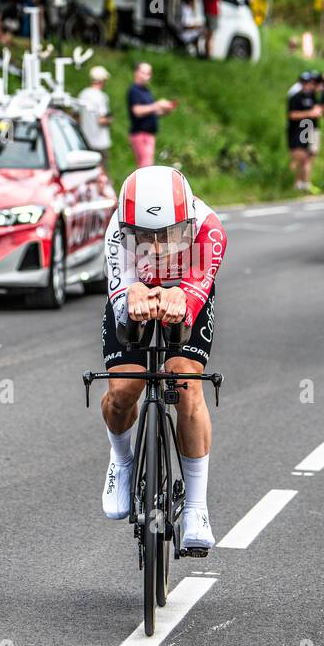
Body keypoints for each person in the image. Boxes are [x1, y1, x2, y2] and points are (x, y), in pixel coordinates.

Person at [101, 166, 227, 551]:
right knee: (125, 388)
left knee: (185, 383)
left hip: (186, 290)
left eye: (168, 235)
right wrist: (130, 297)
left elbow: (197, 290)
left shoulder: (211, 230)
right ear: (127, 228)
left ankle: (195, 506)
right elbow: (119, 292)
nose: (156, 249)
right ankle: (122, 462)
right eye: (144, 237)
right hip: (135, 290)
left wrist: (182, 298)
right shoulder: (115, 233)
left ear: (186, 221)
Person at [127, 61, 174, 168]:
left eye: (148, 73)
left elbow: (151, 112)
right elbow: (137, 111)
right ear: (137, 73)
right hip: (141, 133)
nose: (147, 76)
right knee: (146, 167)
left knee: (145, 166)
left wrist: (165, 110)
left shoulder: (146, 91)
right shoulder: (134, 90)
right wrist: (157, 105)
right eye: (144, 72)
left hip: (149, 134)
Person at [286, 71, 323, 192]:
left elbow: (317, 107)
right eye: (305, 83)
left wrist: (317, 111)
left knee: (308, 158)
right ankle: (298, 183)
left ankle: (304, 183)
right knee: (299, 158)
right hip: (297, 131)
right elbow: (292, 115)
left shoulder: (312, 96)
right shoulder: (295, 97)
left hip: (309, 130)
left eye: (309, 83)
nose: (308, 85)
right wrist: (310, 114)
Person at [77, 65, 113, 154]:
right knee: (102, 167)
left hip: (85, 141)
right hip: (100, 142)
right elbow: (102, 120)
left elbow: (76, 116)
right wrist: (110, 119)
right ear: (103, 80)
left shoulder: (82, 94)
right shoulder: (101, 96)